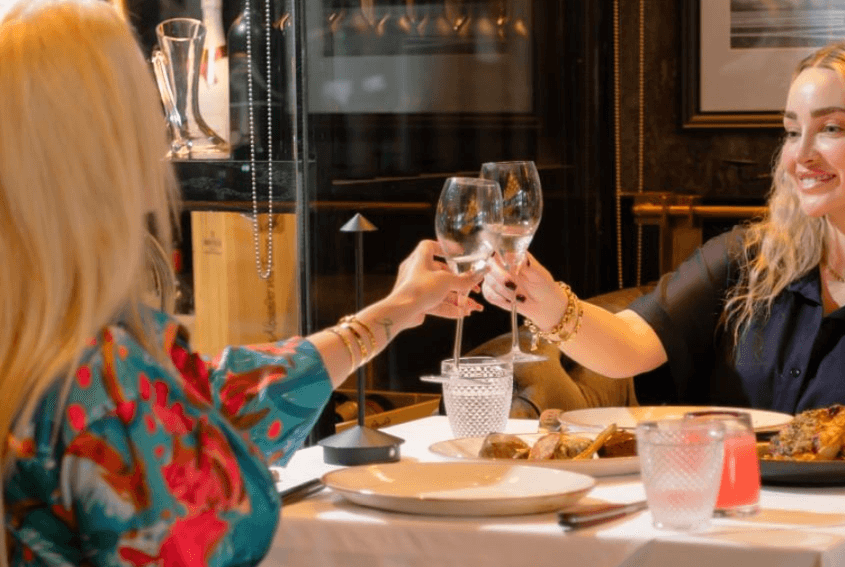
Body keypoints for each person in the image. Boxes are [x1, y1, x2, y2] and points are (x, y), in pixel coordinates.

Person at [0, 0, 484, 564]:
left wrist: (394, 311)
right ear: (107, 153)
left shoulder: (46, 347)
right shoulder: (101, 376)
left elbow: (225, 393)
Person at [483, 37, 845, 440]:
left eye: (831, 128)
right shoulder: (748, 261)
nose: (801, 154)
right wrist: (547, 300)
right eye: (793, 131)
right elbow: (626, 348)